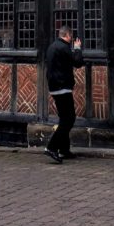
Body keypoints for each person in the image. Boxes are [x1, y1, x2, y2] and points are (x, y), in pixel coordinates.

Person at [44, 25, 83, 163]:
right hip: (63, 88)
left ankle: (64, 150)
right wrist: (77, 48)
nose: (71, 39)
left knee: (64, 118)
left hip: (54, 87)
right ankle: (51, 147)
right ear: (67, 35)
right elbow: (78, 63)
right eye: (71, 36)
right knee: (69, 119)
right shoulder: (64, 47)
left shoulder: (52, 47)